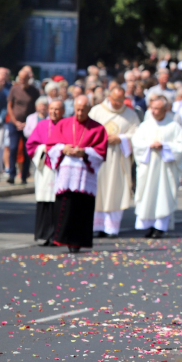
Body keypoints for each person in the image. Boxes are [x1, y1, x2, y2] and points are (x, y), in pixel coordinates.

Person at [46, 95, 108, 253]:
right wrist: (63, 149)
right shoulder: (63, 124)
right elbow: (51, 145)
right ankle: (63, 239)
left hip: (85, 176)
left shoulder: (97, 128)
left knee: (82, 209)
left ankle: (78, 242)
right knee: (65, 207)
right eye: (77, 109)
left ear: (89, 109)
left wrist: (84, 152)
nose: (80, 113)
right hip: (66, 175)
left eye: (83, 110)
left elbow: (101, 152)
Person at [89, 87, 140, 238]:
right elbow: (88, 131)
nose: (118, 103)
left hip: (119, 159)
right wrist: (103, 138)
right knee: (99, 190)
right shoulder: (97, 111)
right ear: (109, 97)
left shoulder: (130, 114)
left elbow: (137, 135)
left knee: (116, 190)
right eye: (115, 100)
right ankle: (97, 226)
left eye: (121, 100)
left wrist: (121, 138)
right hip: (99, 158)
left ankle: (112, 228)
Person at [131, 96, 182, 238]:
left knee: (163, 195)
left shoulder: (173, 126)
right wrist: (149, 145)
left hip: (165, 169)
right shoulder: (145, 126)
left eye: (157, 109)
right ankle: (148, 226)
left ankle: (160, 226)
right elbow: (136, 143)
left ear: (165, 110)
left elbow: (180, 146)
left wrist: (165, 146)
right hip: (148, 168)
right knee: (147, 195)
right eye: (152, 108)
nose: (154, 112)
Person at [26, 100, 65, 246]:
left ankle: (58, 235)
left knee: (59, 203)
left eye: (57, 109)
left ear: (63, 111)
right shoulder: (42, 125)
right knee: (46, 201)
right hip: (45, 169)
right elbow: (31, 145)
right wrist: (43, 149)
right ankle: (45, 234)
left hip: (61, 168)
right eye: (52, 109)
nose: (54, 112)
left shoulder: (67, 125)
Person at [7, 69, 40, 184]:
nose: (22, 80)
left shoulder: (34, 91)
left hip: (28, 125)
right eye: (20, 78)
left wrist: (29, 123)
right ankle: (11, 174)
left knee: (27, 151)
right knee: (13, 148)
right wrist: (15, 121)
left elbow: (37, 107)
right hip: (14, 123)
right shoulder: (14, 89)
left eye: (24, 78)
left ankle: (24, 176)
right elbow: (10, 106)